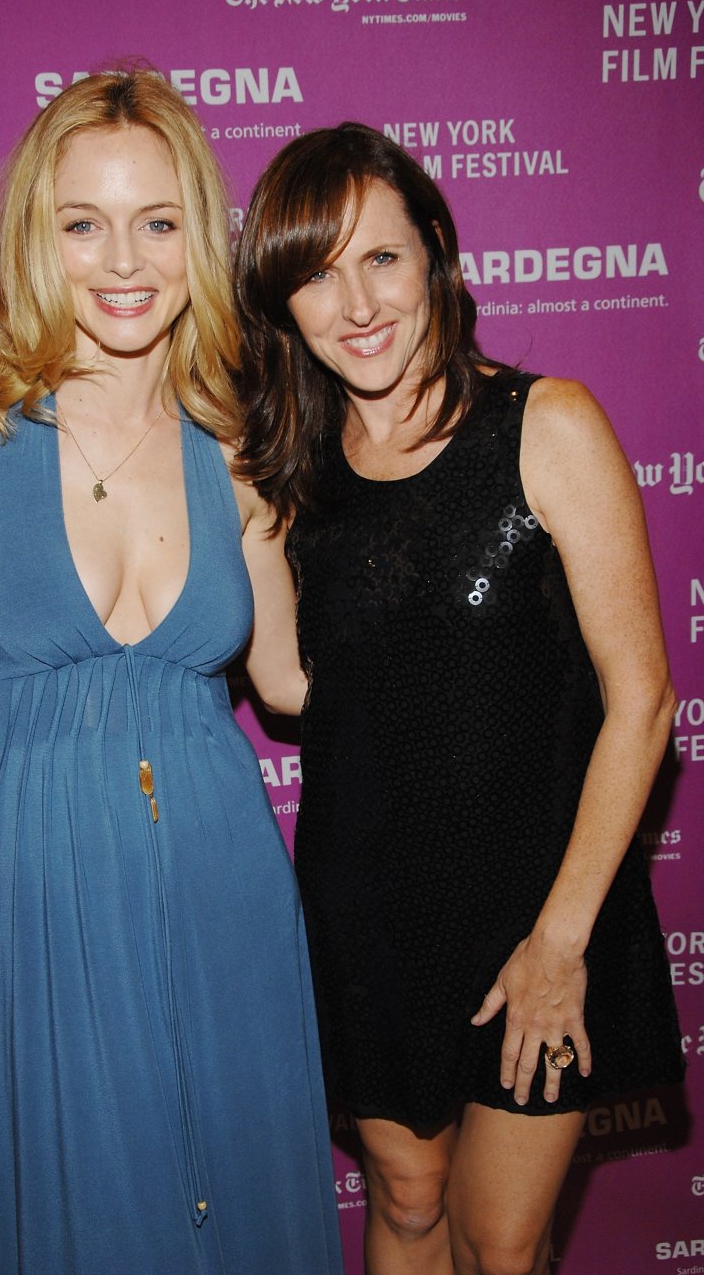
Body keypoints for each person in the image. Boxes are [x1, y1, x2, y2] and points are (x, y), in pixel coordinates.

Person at [0, 70, 344, 1275]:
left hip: (231, 900)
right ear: (39, 235)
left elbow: (291, 681)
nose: (123, 260)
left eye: (157, 222)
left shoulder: (234, 444)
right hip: (51, 915)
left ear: (196, 239)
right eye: (84, 223)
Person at [234, 122, 685, 1275]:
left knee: (499, 1240)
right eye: (314, 276)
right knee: (406, 1195)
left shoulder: (546, 424)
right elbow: (287, 684)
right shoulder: (295, 469)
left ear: (434, 247)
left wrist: (559, 941)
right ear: (282, 305)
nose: (355, 305)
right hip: (368, 905)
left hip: (538, 903)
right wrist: (244, 501)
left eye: (380, 258)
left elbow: (641, 701)